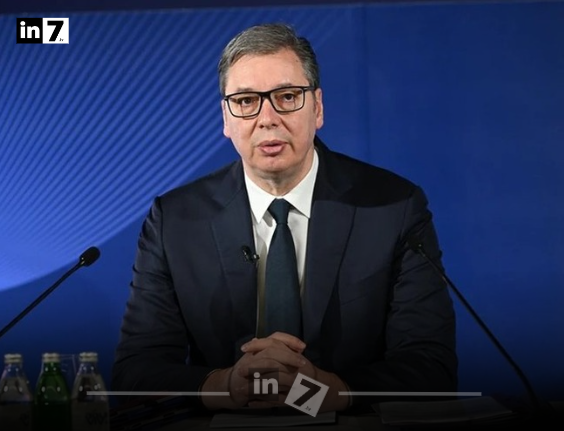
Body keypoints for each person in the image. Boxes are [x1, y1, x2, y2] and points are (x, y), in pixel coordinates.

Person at [112, 22, 457, 414]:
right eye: (246, 101)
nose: (268, 118)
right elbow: (135, 373)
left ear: (318, 107)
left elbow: (432, 367)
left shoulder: (392, 208)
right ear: (226, 118)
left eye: (287, 96)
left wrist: (332, 392)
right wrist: (224, 386)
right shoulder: (175, 221)